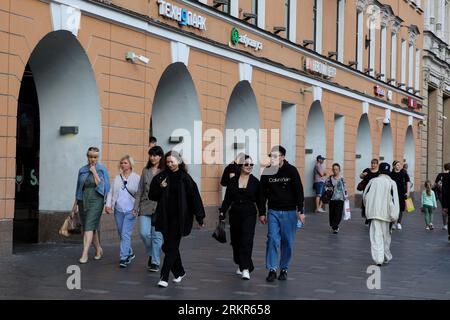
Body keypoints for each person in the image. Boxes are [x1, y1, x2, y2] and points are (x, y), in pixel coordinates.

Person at [148, 151, 205, 288]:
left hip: (180, 218)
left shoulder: (185, 178)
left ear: (179, 161)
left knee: (172, 246)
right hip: (165, 216)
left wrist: (199, 216)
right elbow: (152, 195)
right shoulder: (162, 177)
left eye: (172, 161)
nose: (169, 164)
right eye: (167, 162)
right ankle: (179, 271)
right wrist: (160, 188)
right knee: (167, 246)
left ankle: (164, 276)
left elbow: (194, 198)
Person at [260, 145, 305, 282]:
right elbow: (261, 194)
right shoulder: (267, 171)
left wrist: (301, 211)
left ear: (282, 157)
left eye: (275, 156)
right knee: (273, 239)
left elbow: (299, 191)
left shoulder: (291, 171)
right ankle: (272, 269)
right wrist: (262, 212)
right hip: (273, 210)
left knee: (288, 242)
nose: (272, 159)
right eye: (271, 156)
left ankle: (284, 268)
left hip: (289, 212)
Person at [219, 155, 264, 280]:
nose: (249, 166)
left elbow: (260, 200)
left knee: (247, 240)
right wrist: (222, 211)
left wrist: (262, 213)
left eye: (251, 164)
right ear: (240, 166)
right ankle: (240, 262)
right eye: (246, 164)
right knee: (236, 241)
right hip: (235, 213)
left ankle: (245, 268)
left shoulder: (255, 182)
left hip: (249, 213)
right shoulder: (233, 181)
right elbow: (227, 198)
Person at [71, 147, 110, 264]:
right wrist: (74, 205)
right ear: (87, 156)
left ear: (98, 157)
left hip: (96, 200)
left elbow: (103, 187)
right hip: (83, 200)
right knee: (90, 227)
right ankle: (98, 249)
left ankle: (85, 254)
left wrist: (94, 172)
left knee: (88, 226)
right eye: (90, 156)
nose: (92, 159)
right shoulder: (82, 170)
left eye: (95, 157)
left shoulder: (102, 169)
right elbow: (79, 189)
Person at [133, 146, 165, 272]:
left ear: (160, 156)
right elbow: (140, 190)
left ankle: (155, 262)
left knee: (157, 236)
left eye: (155, 155)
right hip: (145, 206)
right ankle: (152, 254)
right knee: (144, 233)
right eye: (151, 155)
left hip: (160, 208)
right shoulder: (145, 170)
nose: (152, 158)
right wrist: (136, 207)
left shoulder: (165, 171)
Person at [105, 155, 140, 268]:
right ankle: (130, 252)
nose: (122, 164)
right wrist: (108, 205)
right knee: (121, 233)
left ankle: (123, 257)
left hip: (131, 210)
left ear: (130, 164)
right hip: (119, 210)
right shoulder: (117, 178)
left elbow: (140, 194)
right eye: (121, 163)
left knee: (125, 233)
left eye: (125, 163)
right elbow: (111, 192)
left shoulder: (136, 178)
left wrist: (137, 208)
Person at [363, 162, 399, 266]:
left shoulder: (372, 181)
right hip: (387, 215)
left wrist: (369, 208)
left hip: (374, 213)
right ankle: (386, 256)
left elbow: (365, 197)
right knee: (386, 237)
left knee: (376, 237)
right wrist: (394, 216)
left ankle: (378, 259)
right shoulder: (392, 183)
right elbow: (395, 201)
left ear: (379, 171)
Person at [324, 163, 348, 234]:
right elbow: (325, 186)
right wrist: (328, 189)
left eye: (336, 169)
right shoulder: (329, 179)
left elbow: (345, 189)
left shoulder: (342, 179)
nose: (335, 171)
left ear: (339, 170)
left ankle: (335, 225)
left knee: (338, 213)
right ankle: (334, 226)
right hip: (332, 199)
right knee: (332, 213)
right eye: (334, 169)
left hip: (340, 199)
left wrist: (346, 197)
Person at [390, 160, 410, 230]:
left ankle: (399, 223)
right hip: (393, 194)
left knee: (401, 209)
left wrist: (408, 192)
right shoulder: (391, 174)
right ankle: (393, 223)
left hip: (402, 193)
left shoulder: (403, 173)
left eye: (399, 165)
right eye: (397, 165)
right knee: (393, 208)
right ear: (394, 166)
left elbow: (408, 182)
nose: (398, 166)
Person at [359, 159, 380, 225]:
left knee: (374, 205)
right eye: (372, 163)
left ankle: (371, 218)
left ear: (377, 164)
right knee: (366, 205)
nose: (373, 165)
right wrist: (363, 174)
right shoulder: (367, 170)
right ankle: (367, 218)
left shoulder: (379, 172)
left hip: (375, 192)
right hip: (367, 191)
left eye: (374, 163)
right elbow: (361, 177)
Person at [434, 163, 450, 230]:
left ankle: (445, 225)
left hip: (442, 194)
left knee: (444, 209)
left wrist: (441, 188)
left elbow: (436, 184)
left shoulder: (441, 175)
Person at [440, 163, 450, 241]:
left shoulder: (445, 177)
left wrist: (444, 205)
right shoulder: (446, 177)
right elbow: (444, 191)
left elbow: (444, 191)